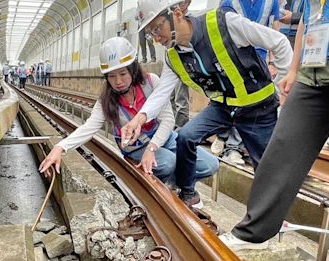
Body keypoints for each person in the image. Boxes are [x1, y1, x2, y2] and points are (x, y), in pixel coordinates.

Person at [217, 0, 329, 250]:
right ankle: (253, 234)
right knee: (282, 149)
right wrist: (294, 69)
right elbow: (309, 16)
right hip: (314, 75)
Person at [120, 0, 292, 208]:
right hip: (222, 107)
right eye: (150, 33)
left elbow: (279, 42)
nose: (155, 38)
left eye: (157, 28)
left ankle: (263, 221)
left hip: (258, 106)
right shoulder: (173, 56)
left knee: (265, 166)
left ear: (177, 14)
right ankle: (188, 192)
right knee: (186, 136)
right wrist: (139, 119)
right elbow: (161, 93)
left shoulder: (224, 23)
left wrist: (283, 89)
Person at [39, 37, 219, 206]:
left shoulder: (151, 82)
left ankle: (174, 183)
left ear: (133, 69)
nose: (118, 81)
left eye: (123, 73)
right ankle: (169, 185)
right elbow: (89, 127)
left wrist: (153, 148)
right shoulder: (106, 100)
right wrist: (60, 147)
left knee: (210, 165)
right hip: (136, 146)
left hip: (162, 137)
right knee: (168, 162)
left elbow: (167, 120)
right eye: (111, 76)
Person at [216, 0, 283, 165]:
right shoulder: (228, 3)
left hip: (262, 60)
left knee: (265, 103)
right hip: (239, 63)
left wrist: (272, 62)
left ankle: (254, 146)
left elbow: (275, 31)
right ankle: (232, 147)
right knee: (241, 103)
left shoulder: (271, 1)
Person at [169, 0, 193, 129]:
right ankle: (171, 126)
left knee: (181, 97)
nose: (180, 5)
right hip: (172, 61)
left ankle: (182, 128)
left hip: (184, 63)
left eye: (183, 2)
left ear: (189, 2)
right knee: (170, 96)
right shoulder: (172, 19)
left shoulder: (190, 19)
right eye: (178, 2)